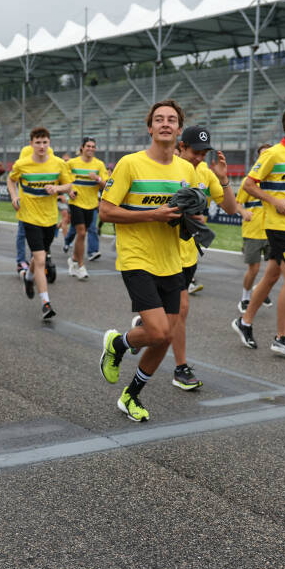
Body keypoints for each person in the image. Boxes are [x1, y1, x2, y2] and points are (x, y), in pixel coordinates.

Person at [98, 99, 198, 421]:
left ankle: (131, 396)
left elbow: (189, 209)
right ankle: (118, 343)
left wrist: (191, 214)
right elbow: (106, 210)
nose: (165, 124)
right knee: (156, 332)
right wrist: (153, 214)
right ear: (150, 127)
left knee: (166, 336)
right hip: (136, 257)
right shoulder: (131, 164)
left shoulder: (187, 170)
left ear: (179, 130)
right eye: (159, 119)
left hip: (172, 260)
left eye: (171, 119)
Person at [231, 107, 285, 357]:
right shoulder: (272, 154)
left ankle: (244, 322)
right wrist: (273, 201)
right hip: (276, 226)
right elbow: (249, 184)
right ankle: (281, 337)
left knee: (270, 277)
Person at [168, 126, 248, 390]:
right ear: (181, 147)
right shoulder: (164, 167)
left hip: (187, 254)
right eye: (195, 152)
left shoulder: (205, 172)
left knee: (178, 312)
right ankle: (174, 361)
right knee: (174, 313)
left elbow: (229, 206)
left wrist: (224, 180)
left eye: (203, 153)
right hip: (158, 251)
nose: (199, 158)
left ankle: (172, 359)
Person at [7, 127, 72, 320]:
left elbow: (69, 185)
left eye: (45, 142)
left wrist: (57, 188)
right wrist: (14, 196)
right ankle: (46, 303)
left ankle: (28, 276)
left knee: (40, 255)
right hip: (29, 217)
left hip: (50, 219)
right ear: (31, 144)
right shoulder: (22, 164)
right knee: (42, 259)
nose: (42, 146)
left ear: (49, 143)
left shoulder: (59, 164)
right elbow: (11, 181)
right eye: (38, 142)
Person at [236, 143, 273, 313]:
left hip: (273, 229)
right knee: (254, 268)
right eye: (262, 155)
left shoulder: (275, 181)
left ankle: (260, 289)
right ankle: (245, 297)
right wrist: (243, 212)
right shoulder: (248, 181)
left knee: (276, 267)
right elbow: (236, 204)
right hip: (253, 231)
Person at [65, 137, 108, 279]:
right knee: (82, 233)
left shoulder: (99, 165)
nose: (90, 148)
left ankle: (73, 259)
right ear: (82, 148)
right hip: (76, 203)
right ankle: (81, 266)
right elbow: (63, 180)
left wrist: (97, 179)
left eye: (93, 146)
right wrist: (68, 191)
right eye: (88, 146)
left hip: (91, 204)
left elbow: (106, 185)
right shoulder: (72, 163)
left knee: (82, 234)